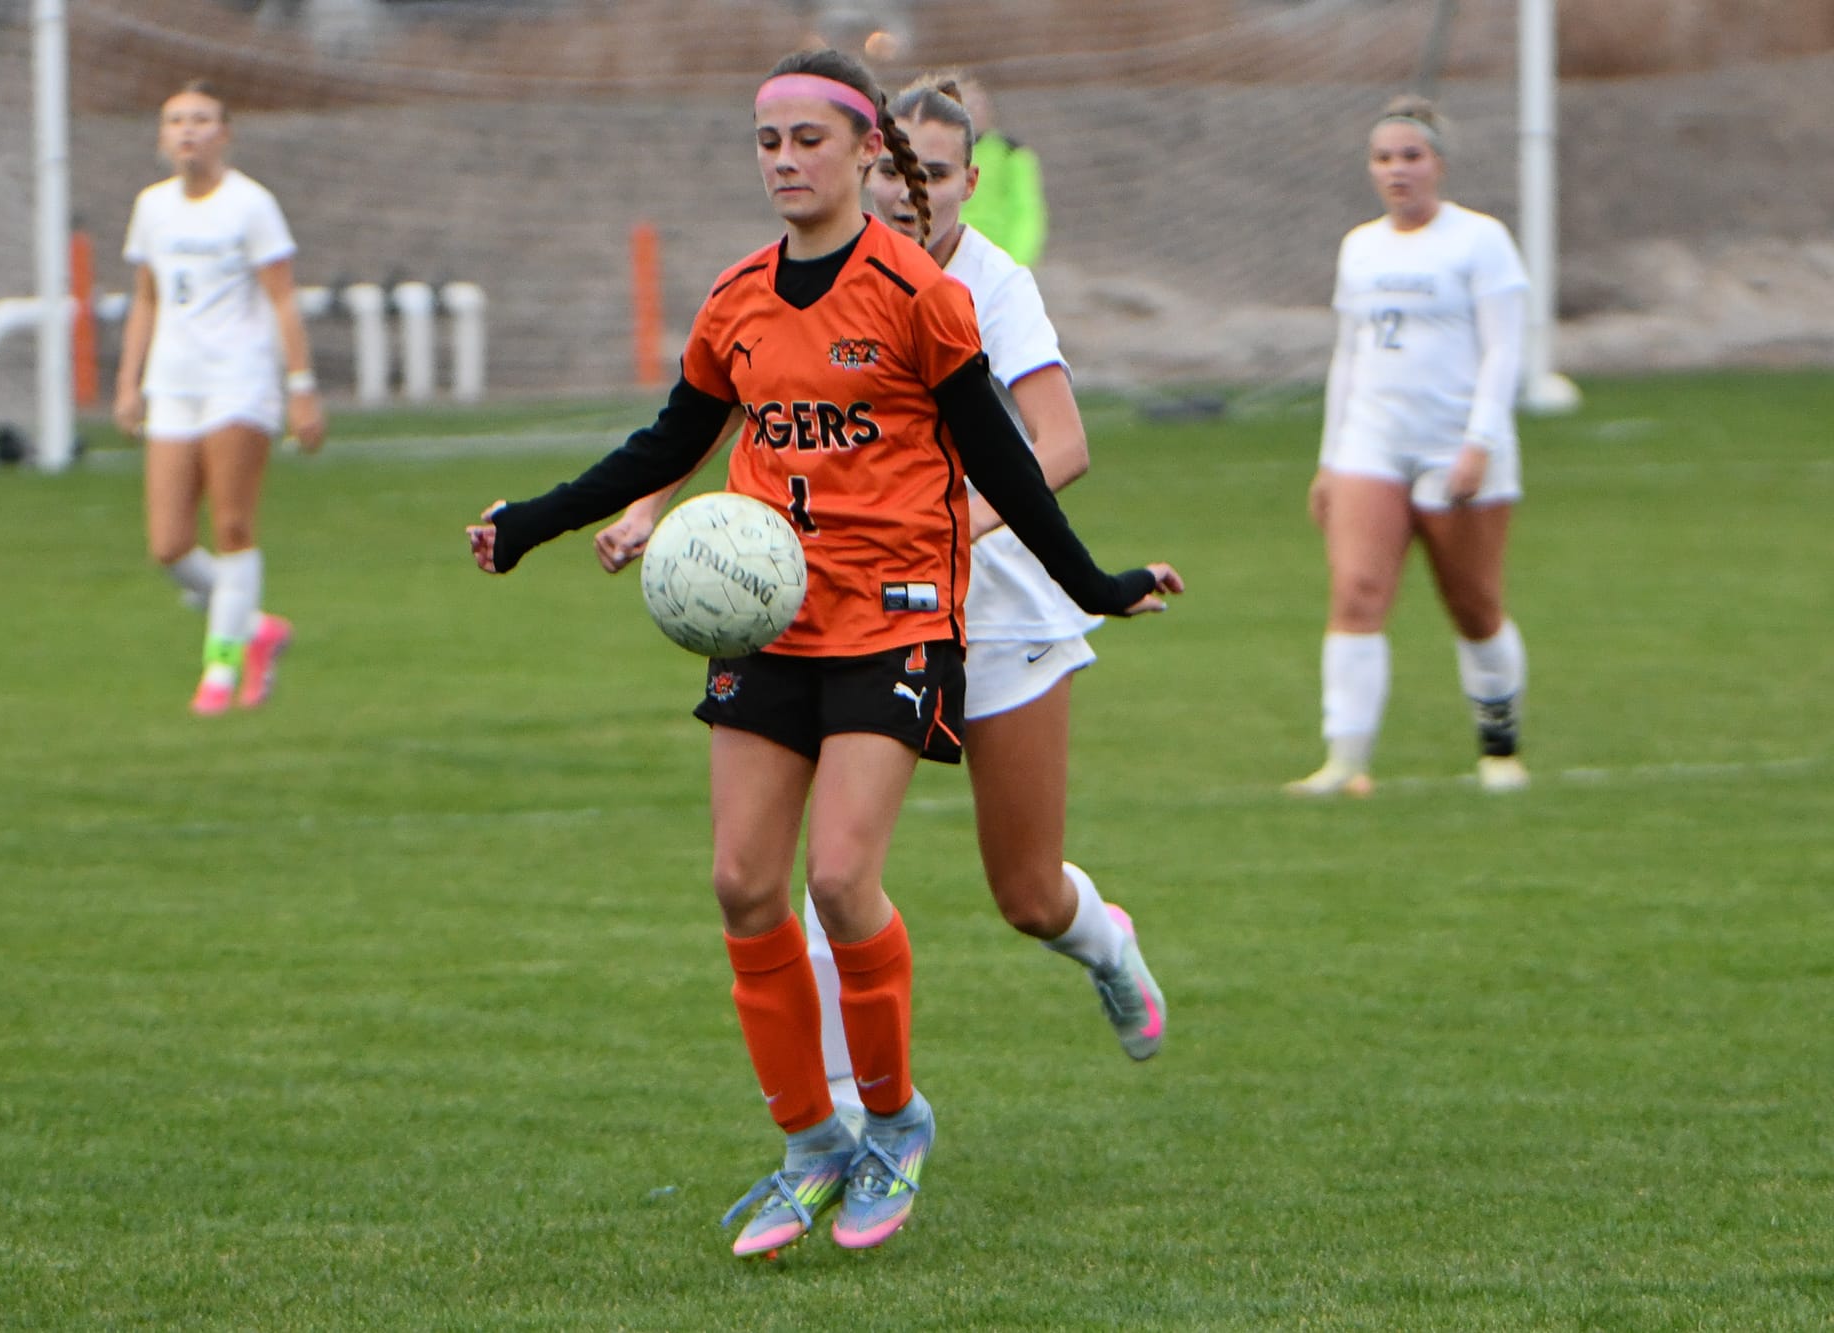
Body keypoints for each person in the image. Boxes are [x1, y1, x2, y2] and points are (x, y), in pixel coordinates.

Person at [465, 49, 1177, 1259]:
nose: (785, 161)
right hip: (771, 626)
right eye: (766, 141)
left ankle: (893, 1122)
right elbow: (668, 439)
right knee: (743, 885)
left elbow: (1012, 464)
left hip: (898, 619)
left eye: (808, 140)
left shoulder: (924, 295)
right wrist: (534, 523)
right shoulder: (737, 296)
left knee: (842, 881)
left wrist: (1096, 585)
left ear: (863, 154)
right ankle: (808, 1143)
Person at [1290, 94, 1531, 797]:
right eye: (1385, 158)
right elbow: (1348, 355)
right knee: (1357, 593)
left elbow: (1503, 350)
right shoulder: (1360, 246)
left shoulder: (1480, 240)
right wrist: (1331, 459)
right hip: (1373, 443)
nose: (1398, 170)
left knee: (1474, 604)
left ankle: (1499, 745)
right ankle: (1345, 760)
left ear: (1439, 165)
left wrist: (1479, 441)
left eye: (1412, 157)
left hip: (1455, 447)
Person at [114, 80, 325, 716]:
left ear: (224, 133)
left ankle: (221, 667)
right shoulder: (152, 207)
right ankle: (256, 627)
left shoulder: (250, 205)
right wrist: (129, 382)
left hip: (241, 379)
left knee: (232, 525)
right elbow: (147, 298)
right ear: (161, 136)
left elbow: (282, 296)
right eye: (175, 119)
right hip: (174, 382)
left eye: (201, 119)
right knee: (169, 544)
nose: (187, 130)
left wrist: (301, 386)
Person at [957, 77, 1047, 267]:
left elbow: (1026, 210)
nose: (972, 112)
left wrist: (1015, 261)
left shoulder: (1010, 154)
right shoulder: (937, 154)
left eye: (977, 105)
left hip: (996, 257)